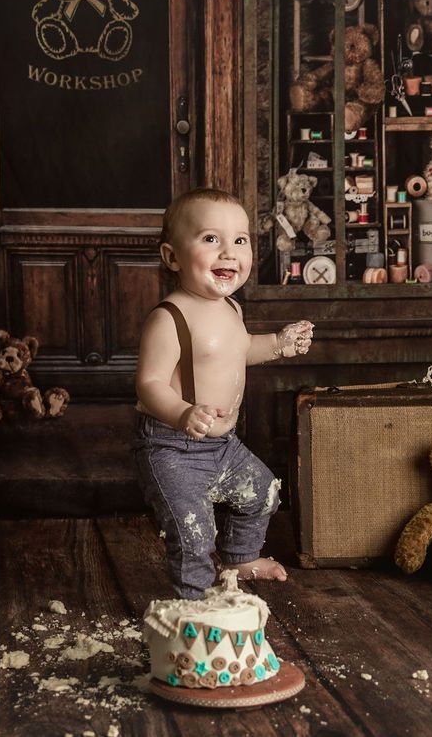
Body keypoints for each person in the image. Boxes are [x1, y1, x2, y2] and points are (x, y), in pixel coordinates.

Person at [133, 187, 314, 599]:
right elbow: (148, 383)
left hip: (222, 446)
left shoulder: (231, 308)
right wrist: (181, 413)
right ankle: (192, 603)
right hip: (172, 447)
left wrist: (279, 343)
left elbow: (242, 349)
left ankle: (240, 557)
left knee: (264, 492)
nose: (229, 252)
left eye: (240, 240)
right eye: (211, 239)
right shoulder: (169, 317)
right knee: (194, 533)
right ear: (172, 257)